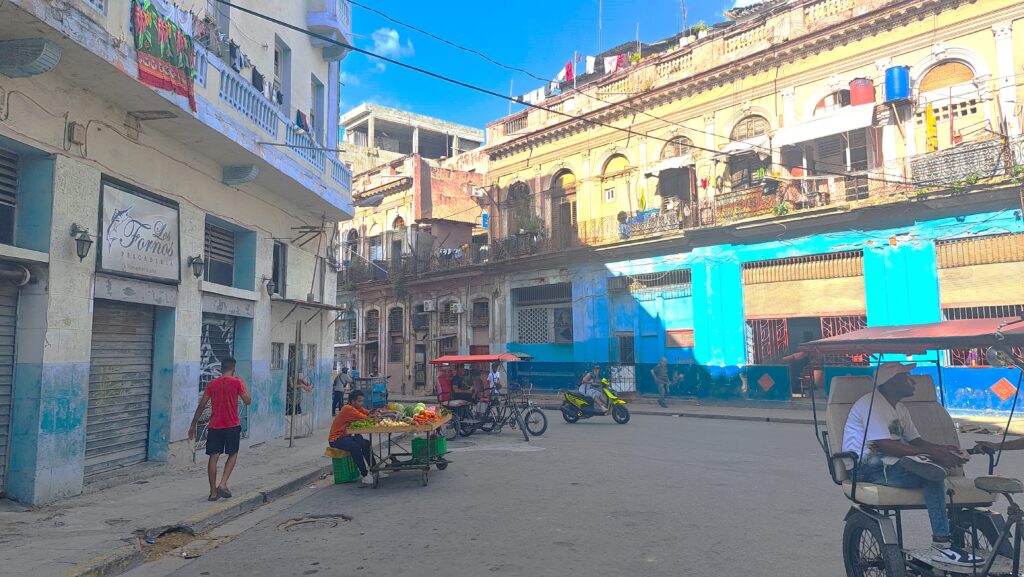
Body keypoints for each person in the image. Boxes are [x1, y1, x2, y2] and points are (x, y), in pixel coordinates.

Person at [843, 362, 981, 567]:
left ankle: (927, 468)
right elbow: (886, 445)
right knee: (931, 473)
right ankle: (942, 545)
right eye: (905, 377)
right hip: (865, 466)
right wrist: (933, 454)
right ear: (889, 383)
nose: (912, 381)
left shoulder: (899, 407)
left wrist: (944, 449)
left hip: (890, 462)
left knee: (929, 466)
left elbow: (916, 441)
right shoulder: (873, 404)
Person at [188, 357, 252, 502]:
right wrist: (243, 384)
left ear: (221, 369)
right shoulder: (237, 383)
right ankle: (223, 484)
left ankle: (212, 493)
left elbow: (202, 405)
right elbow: (248, 401)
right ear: (233, 369)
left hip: (215, 426)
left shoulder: (212, 384)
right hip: (232, 425)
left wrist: (193, 425)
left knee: (213, 456)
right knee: (233, 453)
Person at [329, 390, 378, 486]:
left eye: (362, 401)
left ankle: (375, 470)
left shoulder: (357, 408)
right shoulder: (347, 409)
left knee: (365, 443)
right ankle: (364, 475)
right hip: (337, 438)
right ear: (352, 401)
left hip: (348, 436)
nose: (361, 403)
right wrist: (372, 416)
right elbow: (366, 418)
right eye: (359, 401)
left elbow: (368, 413)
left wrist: (378, 412)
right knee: (355, 447)